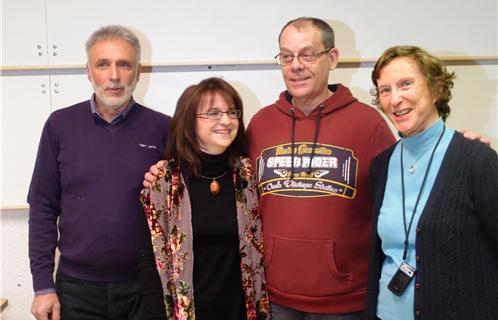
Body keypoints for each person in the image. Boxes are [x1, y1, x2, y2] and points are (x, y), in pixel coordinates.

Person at [27, 25, 171, 320]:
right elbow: (42, 207)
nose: (114, 76)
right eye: (103, 64)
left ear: (138, 71)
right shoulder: (59, 126)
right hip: (76, 290)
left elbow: (180, 211)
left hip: (144, 287)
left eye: (124, 64)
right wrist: (43, 286)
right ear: (89, 72)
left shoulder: (163, 129)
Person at [364, 45, 498, 319]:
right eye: (385, 90)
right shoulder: (381, 165)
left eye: (406, 84)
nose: (395, 99)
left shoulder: (475, 159)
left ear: (436, 89)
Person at [138, 77, 270, 320]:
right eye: (213, 113)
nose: (226, 120)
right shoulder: (163, 183)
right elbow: (149, 265)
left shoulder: (246, 175)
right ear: (189, 122)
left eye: (232, 112)